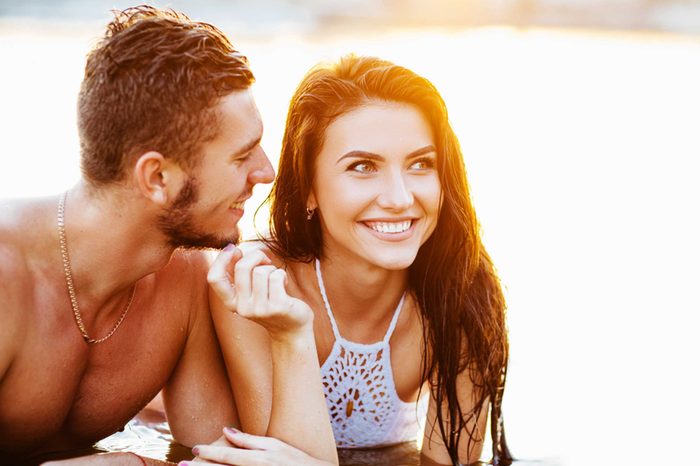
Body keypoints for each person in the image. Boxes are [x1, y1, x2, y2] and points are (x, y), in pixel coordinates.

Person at [0, 6, 336, 465]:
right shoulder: (6, 280)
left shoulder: (189, 280)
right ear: (157, 177)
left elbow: (225, 458)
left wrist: (292, 334)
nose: (267, 171)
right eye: (241, 157)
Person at [211, 55, 513, 466]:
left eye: (420, 164)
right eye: (363, 167)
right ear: (309, 190)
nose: (400, 198)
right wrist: (290, 333)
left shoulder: (463, 296)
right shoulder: (254, 283)